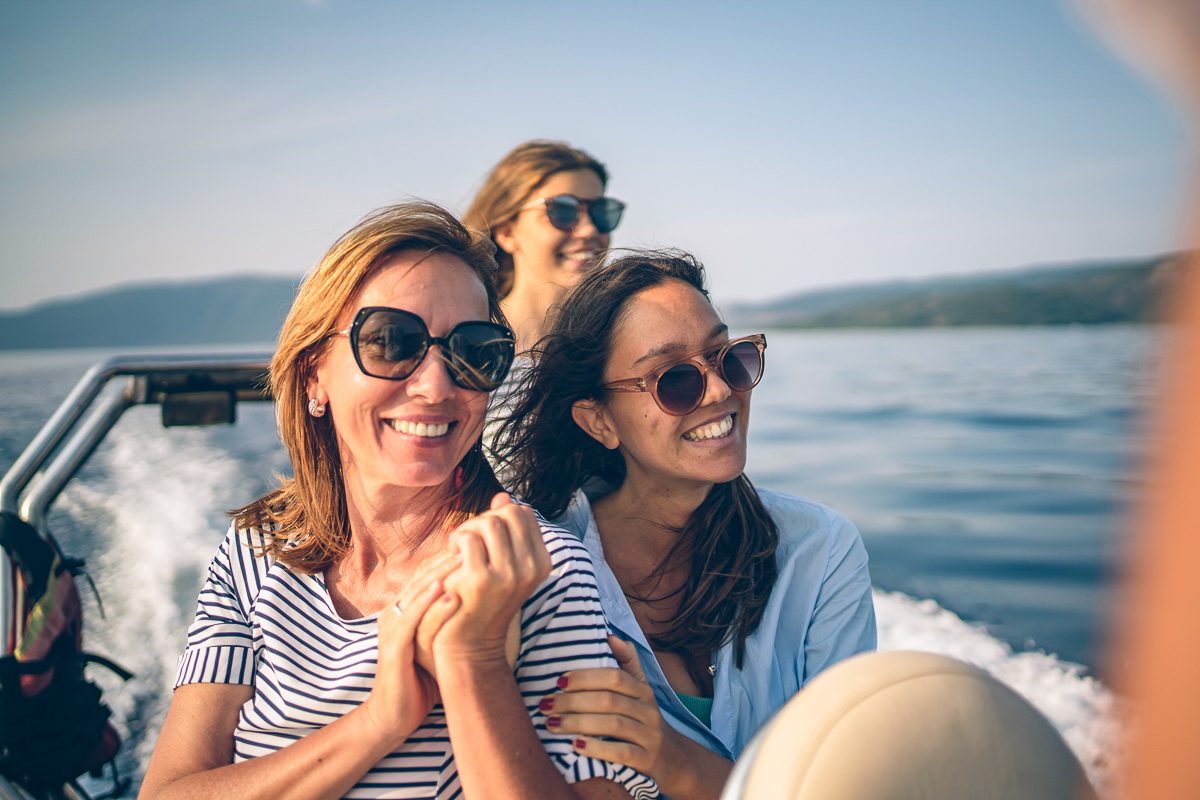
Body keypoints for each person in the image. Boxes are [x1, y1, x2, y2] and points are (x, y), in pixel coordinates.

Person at [139, 202, 657, 800]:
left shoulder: (537, 570)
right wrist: (379, 721)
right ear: (314, 376)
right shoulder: (254, 549)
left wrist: (476, 660)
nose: (438, 387)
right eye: (391, 342)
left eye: (474, 350)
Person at [493, 251, 877, 800]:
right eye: (674, 380)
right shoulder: (538, 570)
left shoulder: (820, 551)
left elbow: (850, 786)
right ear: (598, 420)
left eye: (729, 358)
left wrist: (669, 759)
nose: (722, 392)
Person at [463, 140, 625, 353]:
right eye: (563, 210)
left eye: (601, 211)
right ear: (507, 232)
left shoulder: (620, 347)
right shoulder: (466, 348)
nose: (589, 230)